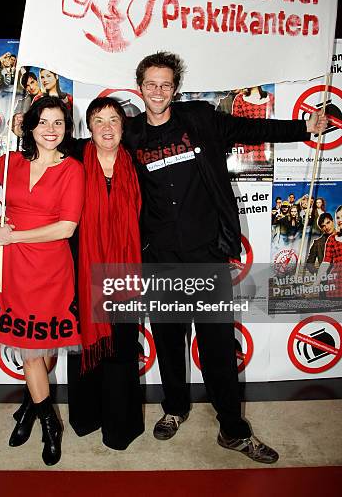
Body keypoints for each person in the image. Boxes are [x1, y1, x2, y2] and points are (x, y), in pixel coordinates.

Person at [122, 51, 327, 464]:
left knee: (217, 346)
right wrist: (30, 133)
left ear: (175, 88)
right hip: (159, 258)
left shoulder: (199, 119)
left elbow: (253, 126)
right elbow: (85, 147)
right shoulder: (129, 134)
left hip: (206, 255)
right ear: (139, 88)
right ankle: (175, 408)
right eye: (151, 84)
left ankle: (232, 428)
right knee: (167, 340)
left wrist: (304, 126)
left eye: (166, 84)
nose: (158, 91)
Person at [0, 96, 85, 466]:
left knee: (44, 349)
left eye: (58, 123)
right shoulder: (11, 164)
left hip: (51, 270)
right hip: (12, 269)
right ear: (30, 126)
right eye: (43, 122)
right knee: (30, 352)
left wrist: (14, 237)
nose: (50, 129)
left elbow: (66, 227)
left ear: (66, 129)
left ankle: (30, 409)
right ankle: (49, 426)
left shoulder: (72, 169)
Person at [67, 97, 144, 450]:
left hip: (124, 274)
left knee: (122, 348)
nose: (107, 127)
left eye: (114, 119)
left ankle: (119, 425)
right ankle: (86, 416)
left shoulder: (138, 164)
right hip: (80, 271)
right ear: (89, 128)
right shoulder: (72, 162)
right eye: (98, 120)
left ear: (123, 125)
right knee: (85, 344)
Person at [317, 205, 342, 297]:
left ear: (332, 222)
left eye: (328, 223)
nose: (340, 220)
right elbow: (325, 262)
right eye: (338, 217)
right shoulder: (331, 239)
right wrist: (317, 281)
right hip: (335, 282)